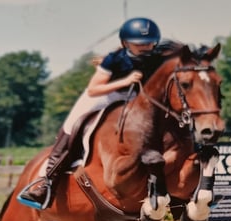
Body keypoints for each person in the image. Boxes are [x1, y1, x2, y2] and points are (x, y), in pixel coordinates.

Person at [18, 17, 164, 210]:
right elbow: (94, 89)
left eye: (150, 43)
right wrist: (124, 81)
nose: (146, 47)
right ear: (125, 43)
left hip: (136, 100)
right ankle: (47, 182)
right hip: (105, 95)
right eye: (140, 44)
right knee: (72, 125)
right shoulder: (115, 59)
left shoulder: (157, 59)